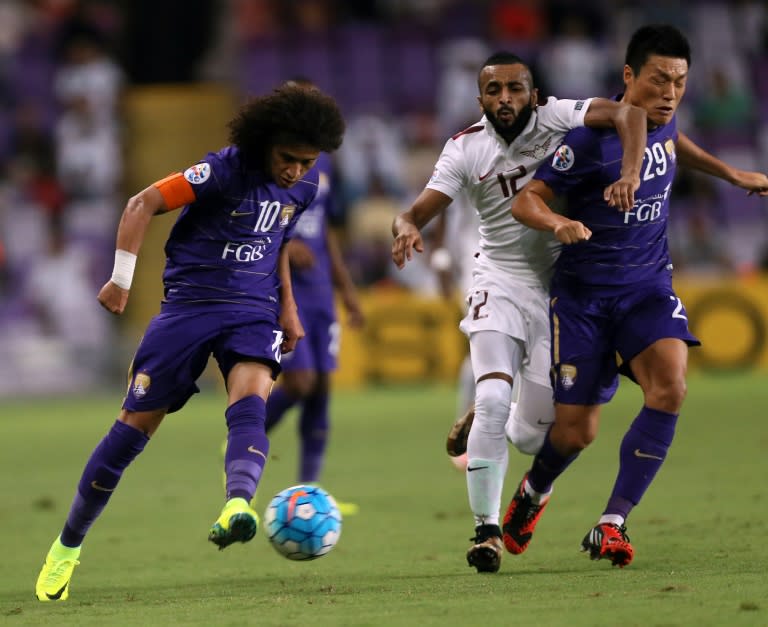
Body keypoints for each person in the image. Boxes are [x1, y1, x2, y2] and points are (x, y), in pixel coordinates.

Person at [34, 84, 346, 602]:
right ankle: (67, 547)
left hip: (253, 309)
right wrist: (122, 277)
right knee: (131, 432)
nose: (295, 171)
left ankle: (237, 504)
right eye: (288, 158)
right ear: (265, 142)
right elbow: (143, 202)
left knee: (251, 399)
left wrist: (287, 308)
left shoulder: (303, 190)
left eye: (306, 162)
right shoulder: (222, 171)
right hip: (189, 308)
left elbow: (280, 242)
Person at [506, 23, 768, 568]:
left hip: (648, 286)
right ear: (629, 76)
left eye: (679, 81)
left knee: (670, 386)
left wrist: (728, 171)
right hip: (582, 299)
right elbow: (526, 200)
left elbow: (674, 147)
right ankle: (533, 492)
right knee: (576, 434)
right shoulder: (585, 143)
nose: (670, 93)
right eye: (658, 80)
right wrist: (557, 224)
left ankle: (612, 522)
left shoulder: (666, 123)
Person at [391, 51, 648, 574]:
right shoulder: (465, 148)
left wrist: (629, 171)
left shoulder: (560, 117)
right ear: (480, 98)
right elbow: (413, 211)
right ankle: (486, 531)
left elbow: (630, 113)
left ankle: (498, 421)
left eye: (514, 89)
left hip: (563, 290)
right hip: (499, 278)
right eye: (493, 91)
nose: (504, 99)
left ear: (533, 94)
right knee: (489, 396)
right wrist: (407, 228)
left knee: (532, 435)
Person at [263, 82, 365, 514]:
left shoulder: (320, 170)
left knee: (322, 387)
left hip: (322, 291)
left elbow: (325, 233)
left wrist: (347, 290)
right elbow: (263, 226)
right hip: (285, 289)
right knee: (300, 383)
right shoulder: (274, 165)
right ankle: (248, 434)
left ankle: (309, 492)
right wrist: (285, 246)